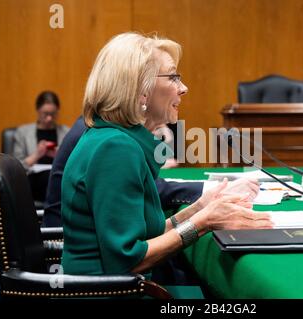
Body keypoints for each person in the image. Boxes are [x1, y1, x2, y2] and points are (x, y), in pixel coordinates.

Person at [61, 32, 272, 284]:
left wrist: (199, 208)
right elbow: (127, 259)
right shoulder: (115, 149)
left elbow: (144, 234)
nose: (184, 88)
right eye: (173, 77)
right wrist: (204, 222)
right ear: (141, 91)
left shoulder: (115, 140)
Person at [13, 91, 69, 202]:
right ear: (38, 111)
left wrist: (59, 156)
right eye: (45, 114)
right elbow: (15, 169)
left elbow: (73, 165)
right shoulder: (23, 133)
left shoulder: (67, 132)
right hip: (33, 181)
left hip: (58, 179)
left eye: (53, 114)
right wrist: (36, 155)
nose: (49, 118)